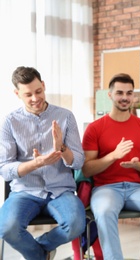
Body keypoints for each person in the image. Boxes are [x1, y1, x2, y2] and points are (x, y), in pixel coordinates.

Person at [81, 73, 140, 260]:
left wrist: (139, 165)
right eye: (119, 93)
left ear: (133, 96)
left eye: (129, 93)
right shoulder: (95, 128)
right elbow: (86, 169)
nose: (125, 97)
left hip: (136, 188)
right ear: (110, 95)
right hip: (105, 188)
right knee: (105, 211)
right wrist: (113, 156)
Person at [0, 66, 86, 260]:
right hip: (25, 192)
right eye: (28, 94)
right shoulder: (9, 122)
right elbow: (5, 169)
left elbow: (79, 161)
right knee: (7, 229)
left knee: (75, 224)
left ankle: (40, 249)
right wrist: (36, 163)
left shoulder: (65, 116)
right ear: (17, 94)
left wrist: (62, 149)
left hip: (60, 190)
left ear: (44, 85)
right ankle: (42, 256)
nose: (35, 98)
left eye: (38, 91)